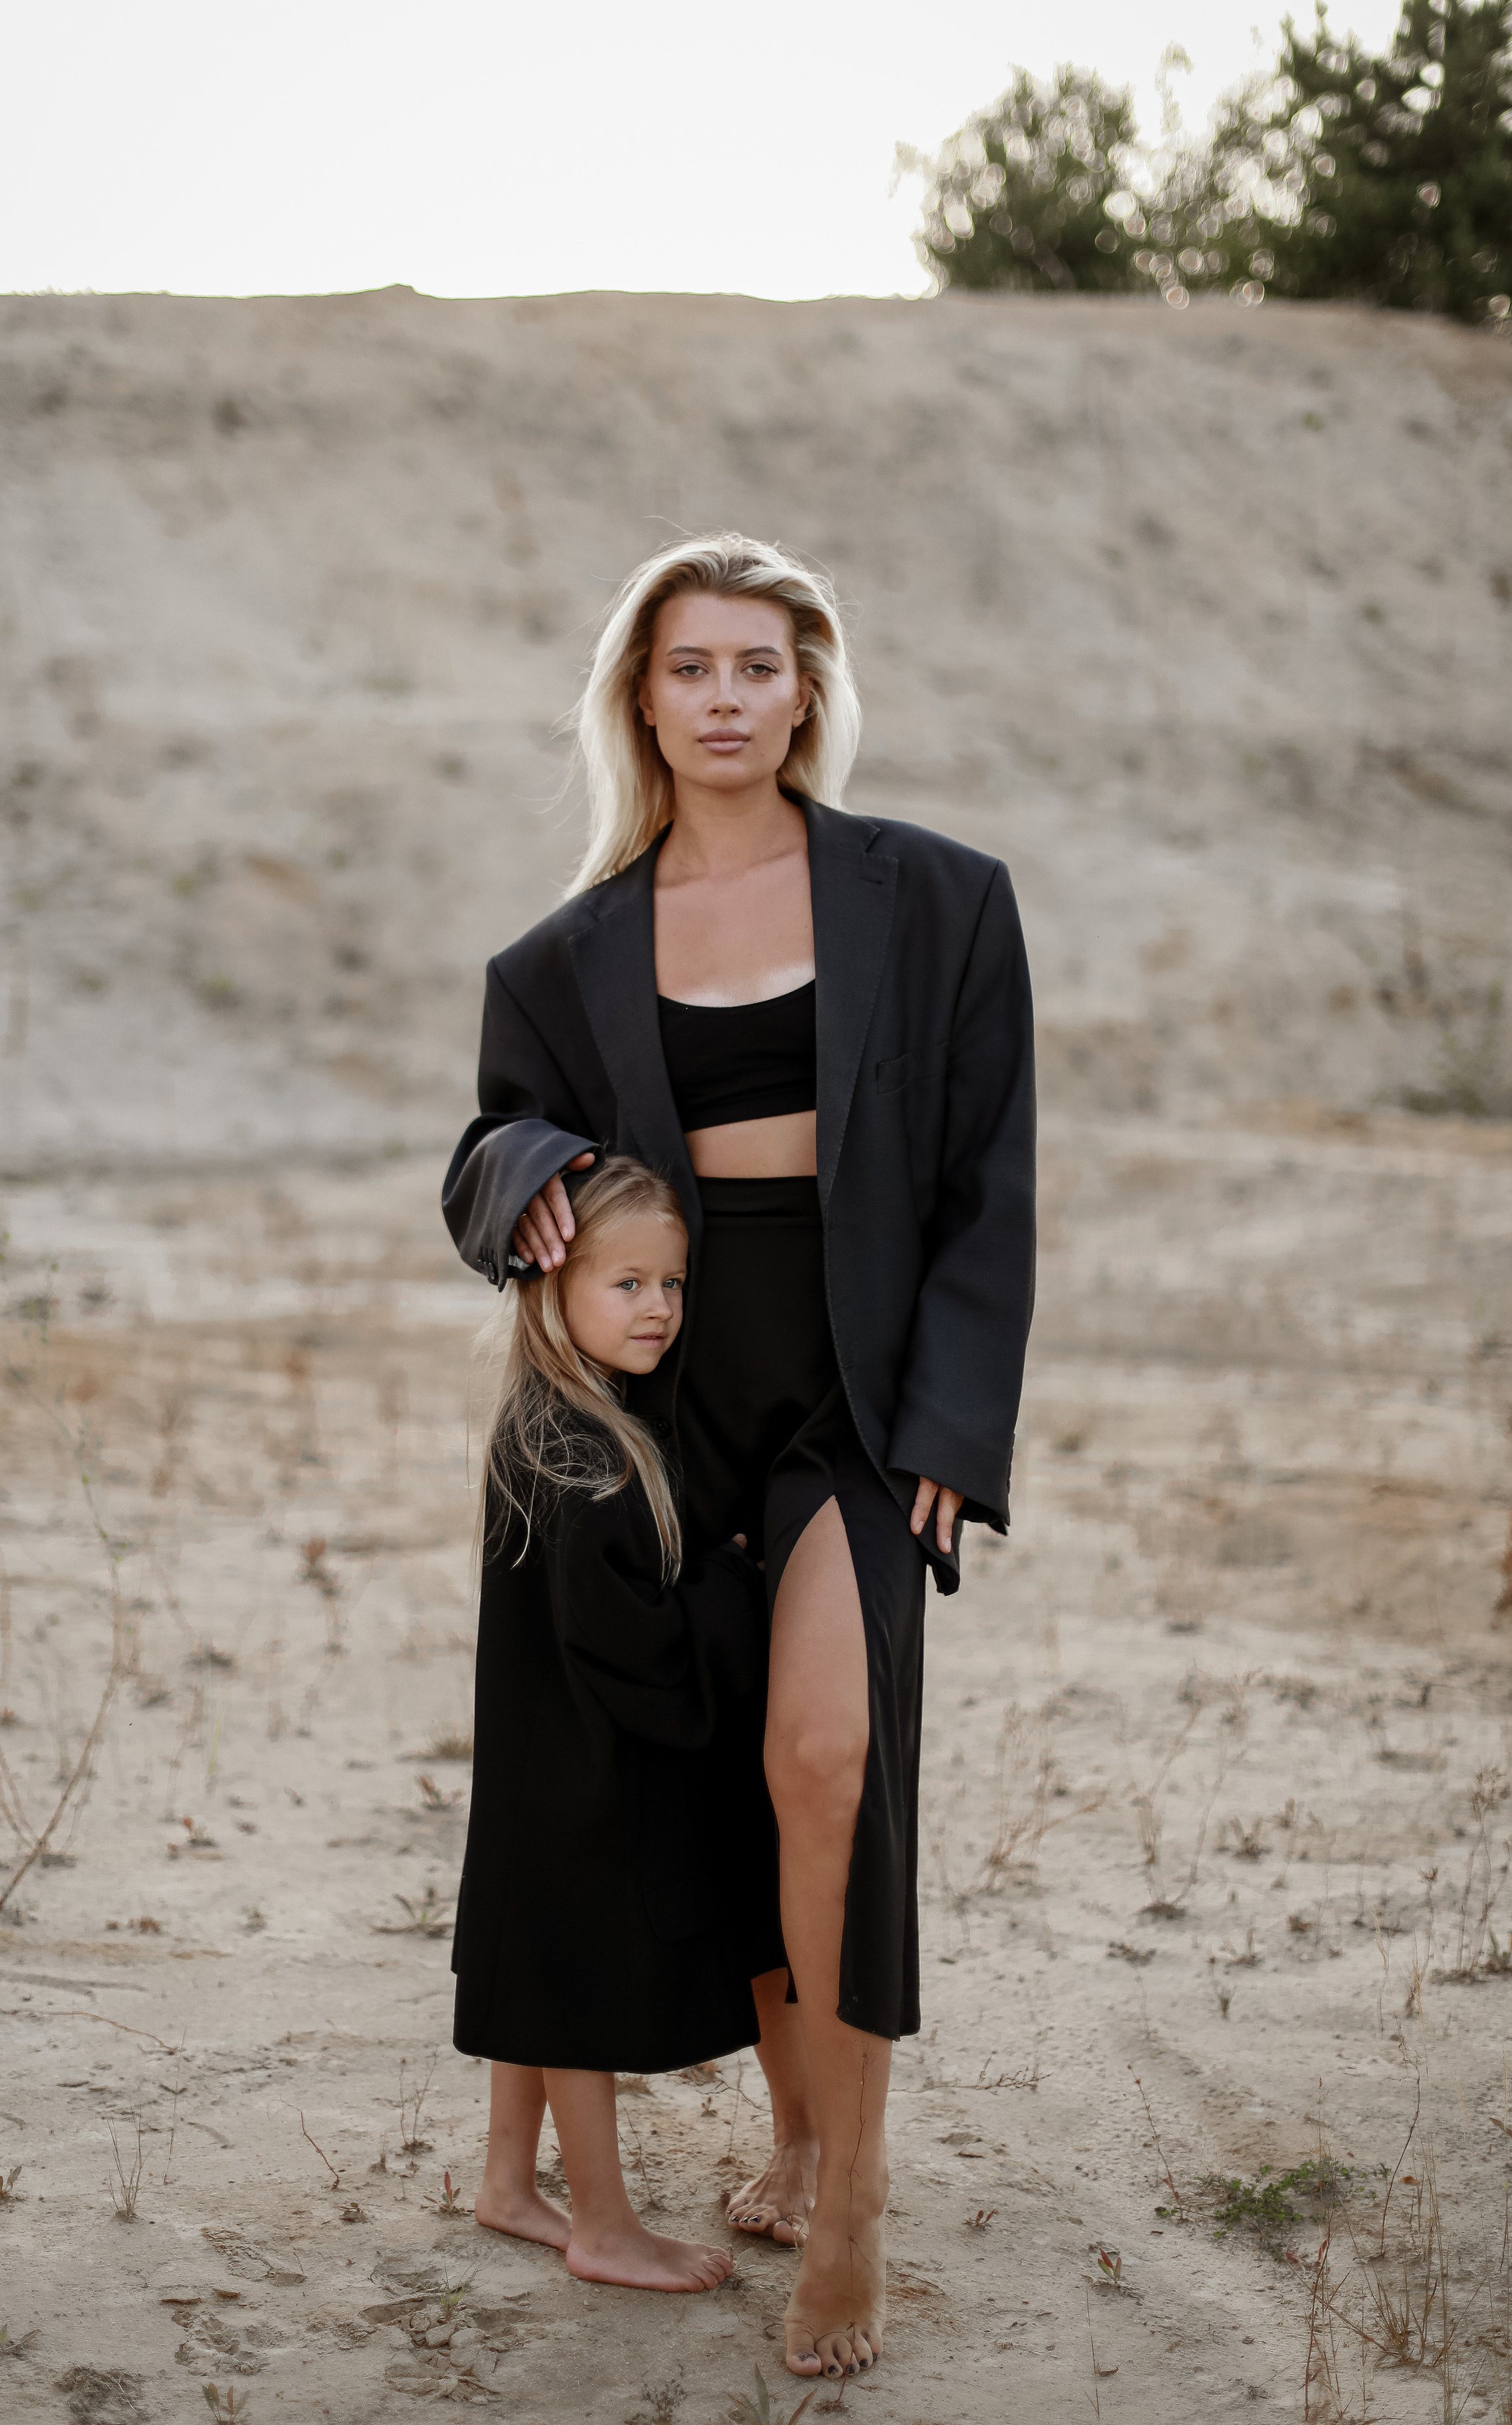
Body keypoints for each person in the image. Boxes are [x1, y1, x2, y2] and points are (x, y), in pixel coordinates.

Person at [443, 534, 1035, 2379]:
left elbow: (990, 1185)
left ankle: (846, 2200)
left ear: (809, 688)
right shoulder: (563, 954)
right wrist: (523, 1181)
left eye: (757, 667)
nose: (723, 699)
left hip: (851, 1418)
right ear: (642, 697)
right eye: (688, 668)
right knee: (707, 1783)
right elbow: (486, 1148)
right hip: (659, 1429)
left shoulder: (937, 902)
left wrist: (949, 1423)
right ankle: (781, 2131)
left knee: (827, 1764)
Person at [453, 1154, 770, 2293]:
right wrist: (737, 1587)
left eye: (674, 1284)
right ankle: (601, 2222)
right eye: (627, 1283)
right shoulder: (580, 1460)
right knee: (576, 1991)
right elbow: (636, 1643)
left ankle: (506, 2185)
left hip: (541, 1765)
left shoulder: (560, 1422)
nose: (659, 1309)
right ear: (554, 1281)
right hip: (579, 1773)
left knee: (537, 1970)